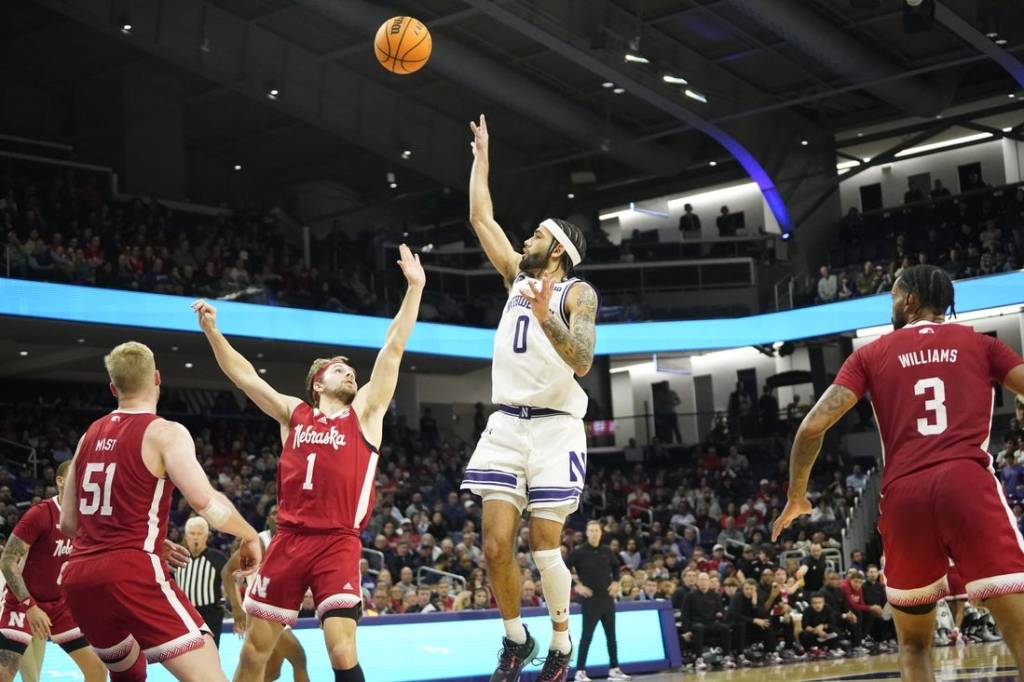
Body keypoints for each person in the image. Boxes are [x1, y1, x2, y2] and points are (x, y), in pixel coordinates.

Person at [773, 263, 1024, 679]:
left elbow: (812, 427)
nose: (890, 305)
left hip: (904, 496)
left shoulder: (870, 354)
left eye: (892, 295)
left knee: (912, 646)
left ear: (908, 300)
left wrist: (797, 494)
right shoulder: (981, 345)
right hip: (967, 484)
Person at [194, 242, 425, 682]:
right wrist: (212, 332)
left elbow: (393, 349)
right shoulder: (292, 413)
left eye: (351, 371)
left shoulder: (367, 413)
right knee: (252, 654)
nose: (351, 373)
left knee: (340, 650)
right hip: (289, 540)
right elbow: (244, 377)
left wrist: (414, 289)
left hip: (338, 542)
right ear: (317, 383)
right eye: (340, 370)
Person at [463, 114, 598, 682]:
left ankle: (562, 643)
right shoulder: (515, 280)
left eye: (537, 235)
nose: (526, 241)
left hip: (555, 428)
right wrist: (482, 156)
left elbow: (583, 359)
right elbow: (479, 217)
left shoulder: (576, 293)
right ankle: (516, 638)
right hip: (505, 425)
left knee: (545, 548)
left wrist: (547, 322)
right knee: (495, 546)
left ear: (559, 251)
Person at [58, 341, 262, 681]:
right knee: (207, 666)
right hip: (130, 571)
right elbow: (205, 503)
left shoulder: (87, 436)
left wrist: (147, 537)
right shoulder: (165, 432)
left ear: (113, 388)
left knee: (128, 674)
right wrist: (248, 534)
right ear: (157, 378)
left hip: (80, 580)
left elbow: (68, 524)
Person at [0, 460, 107, 682]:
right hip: (23, 603)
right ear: (60, 481)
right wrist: (30, 606)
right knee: (4, 674)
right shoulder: (40, 514)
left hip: (60, 606)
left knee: (97, 671)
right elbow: (8, 560)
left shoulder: (90, 518)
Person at [222, 506, 310, 682]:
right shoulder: (260, 542)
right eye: (273, 513)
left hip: (278, 611)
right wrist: (237, 608)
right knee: (298, 657)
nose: (278, 516)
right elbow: (227, 572)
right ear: (267, 519)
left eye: (281, 512)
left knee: (270, 671)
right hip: (258, 611)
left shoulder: (294, 542)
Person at [566, 521, 630, 682]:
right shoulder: (579, 552)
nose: (594, 533)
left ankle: (614, 669)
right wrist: (576, 586)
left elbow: (616, 568)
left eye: (597, 530)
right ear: (587, 533)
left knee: (611, 637)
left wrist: (616, 582)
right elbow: (563, 568)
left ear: (601, 533)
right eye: (591, 530)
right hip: (590, 601)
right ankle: (580, 672)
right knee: (586, 637)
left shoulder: (607, 551)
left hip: (607, 599)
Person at [175, 517, 228, 646]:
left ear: (206, 536)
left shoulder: (218, 558)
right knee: (187, 654)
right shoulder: (177, 558)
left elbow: (230, 584)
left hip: (210, 614)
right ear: (186, 536)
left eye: (199, 534)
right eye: (192, 534)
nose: (195, 538)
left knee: (211, 652)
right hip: (186, 614)